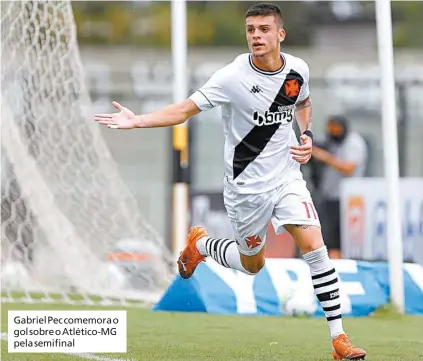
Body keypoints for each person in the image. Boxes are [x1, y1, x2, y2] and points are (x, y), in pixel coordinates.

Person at [94, 3, 366, 360]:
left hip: (287, 177)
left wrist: (308, 134)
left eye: (264, 29)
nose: (256, 35)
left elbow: (303, 101)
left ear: (280, 34)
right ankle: (202, 246)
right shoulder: (232, 77)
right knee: (253, 264)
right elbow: (184, 110)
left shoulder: (298, 69)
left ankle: (339, 339)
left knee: (315, 246)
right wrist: (137, 120)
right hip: (246, 189)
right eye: (251, 29)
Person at [312, 115, 368, 259]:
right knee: (327, 237)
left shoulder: (353, 143)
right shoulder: (330, 142)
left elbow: (349, 168)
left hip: (346, 198)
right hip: (328, 195)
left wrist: (325, 157)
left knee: (339, 238)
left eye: (337, 129)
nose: (334, 133)